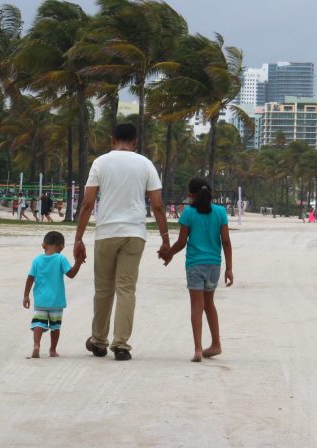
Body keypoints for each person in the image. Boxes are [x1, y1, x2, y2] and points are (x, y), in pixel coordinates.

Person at [74, 123, 170, 361]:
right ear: (135, 142)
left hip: (106, 232)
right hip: (134, 233)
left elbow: (87, 203)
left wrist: (78, 239)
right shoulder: (146, 164)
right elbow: (157, 205)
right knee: (126, 289)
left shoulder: (100, 163)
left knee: (104, 289)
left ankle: (98, 341)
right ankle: (121, 345)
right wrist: (166, 240)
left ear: (112, 139)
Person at [163, 177, 233, 362]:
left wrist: (169, 253)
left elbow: (181, 242)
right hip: (214, 265)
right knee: (209, 304)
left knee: (196, 306)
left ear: (190, 195)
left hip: (195, 264)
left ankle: (198, 349)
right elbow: (225, 241)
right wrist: (229, 268)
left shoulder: (188, 213)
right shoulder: (220, 212)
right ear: (211, 193)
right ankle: (216, 344)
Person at [22, 230, 83, 359]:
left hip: (41, 300)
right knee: (55, 327)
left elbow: (30, 278)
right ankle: (52, 350)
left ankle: (37, 345)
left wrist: (26, 295)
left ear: (43, 245)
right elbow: (71, 274)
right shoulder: (61, 258)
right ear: (61, 247)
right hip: (56, 301)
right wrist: (78, 262)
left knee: (38, 323)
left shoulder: (37, 260)